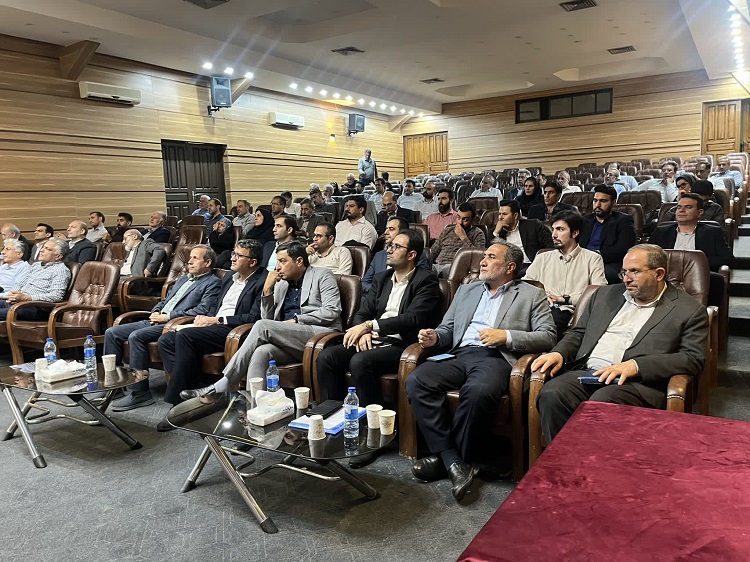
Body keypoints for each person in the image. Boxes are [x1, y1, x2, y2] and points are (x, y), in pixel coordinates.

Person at [406, 242, 557, 501]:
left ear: (510, 267)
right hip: (459, 354)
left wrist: (506, 336)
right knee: (418, 379)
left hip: (495, 357)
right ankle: (455, 460)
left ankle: (447, 459)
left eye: (491, 257)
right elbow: (447, 329)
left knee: (479, 391)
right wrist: (434, 337)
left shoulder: (531, 294)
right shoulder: (467, 290)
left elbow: (548, 336)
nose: (482, 262)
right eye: (483, 256)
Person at [533, 244, 709, 442]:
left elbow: (693, 358)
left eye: (635, 271)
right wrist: (558, 353)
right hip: (588, 373)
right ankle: (563, 458)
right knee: (553, 393)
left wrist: (636, 366)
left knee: (603, 402)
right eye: (624, 272)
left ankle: (597, 460)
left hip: (637, 384)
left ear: (659, 274)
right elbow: (579, 333)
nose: (626, 278)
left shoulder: (688, 310)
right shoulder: (604, 295)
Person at [316, 230, 441, 467]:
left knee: (360, 362)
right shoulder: (383, 278)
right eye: (389, 246)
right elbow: (361, 312)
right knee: (327, 356)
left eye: (396, 247)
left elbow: (413, 318)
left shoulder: (426, 280)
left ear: (412, 254)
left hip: (401, 344)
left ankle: (371, 436)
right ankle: (334, 426)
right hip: (372, 339)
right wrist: (363, 330)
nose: (389, 250)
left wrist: (370, 326)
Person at [180, 241, 342, 400]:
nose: (277, 267)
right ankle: (255, 405)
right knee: (261, 352)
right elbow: (268, 319)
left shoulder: (322, 275)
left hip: (318, 333)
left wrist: (296, 320)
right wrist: (267, 291)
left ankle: (225, 382)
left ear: (299, 261)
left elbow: (332, 311)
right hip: (288, 338)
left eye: (283, 261)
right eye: (277, 261)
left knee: (261, 326)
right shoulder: (281, 284)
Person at [156, 239, 268, 428]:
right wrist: (204, 318)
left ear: (253, 262)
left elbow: (254, 317)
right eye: (233, 253)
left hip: (234, 329)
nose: (232, 258)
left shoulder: (262, 280)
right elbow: (216, 305)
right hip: (213, 324)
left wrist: (217, 320)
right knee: (166, 339)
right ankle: (198, 392)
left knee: (185, 336)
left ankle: (178, 405)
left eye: (238, 255)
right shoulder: (229, 277)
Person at [104, 245, 221, 411]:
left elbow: (203, 311)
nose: (189, 261)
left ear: (207, 263)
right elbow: (165, 301)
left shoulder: (213, 283)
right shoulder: (183, 279)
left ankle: (140, 393)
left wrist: (167, 317)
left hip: (176, 324)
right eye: (190, 257)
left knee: (136, 336)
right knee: (111, 332)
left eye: (195, 258)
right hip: (157, 319)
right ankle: (114, 386)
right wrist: (156, 311)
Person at [524, 210, 607, 336]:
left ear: (575, 233)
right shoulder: (542, 257)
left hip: (565, 310)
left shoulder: (592, 258)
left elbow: (599, 293)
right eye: (553, 229)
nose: (554, 235)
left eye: (560, 229)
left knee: (550, 320)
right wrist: (542, 296)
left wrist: (565, 299)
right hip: (539, 307)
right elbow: (526, 285)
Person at [649, 192, 733, 306]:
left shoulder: (712, 232)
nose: (681, 210)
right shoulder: (662, 231)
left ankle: (705, 313)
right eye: (679, 207)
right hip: (665, 273)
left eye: (688, 207)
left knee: (715, 279)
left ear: (700, 212)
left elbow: (728, 259)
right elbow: (647, 255)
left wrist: (696, 263)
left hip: (698, 275)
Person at [0, 238, 70, 320]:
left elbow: (57, 296)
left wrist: (27, 298)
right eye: (43, 247)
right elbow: (20, 283)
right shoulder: (36, 265)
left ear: (58, 256)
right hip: (18, 303)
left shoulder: (61, 270)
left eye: (48, 249)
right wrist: (13, 296)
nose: (41, 250)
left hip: (35, 308)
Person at [579, 185, 636, 284]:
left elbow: (623, 249)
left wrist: (595, 256)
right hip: (582, 260)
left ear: (613, 203)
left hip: (608, 263)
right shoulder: (584, 220)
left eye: (603, 201)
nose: (597, 205)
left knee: (604, 274)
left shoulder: (623, 220)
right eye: (595, 201)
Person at [362, 217, 431, 293]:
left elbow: (423, 282)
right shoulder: (379, 256)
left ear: (402, 232)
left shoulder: (417, 255)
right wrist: (380, 292)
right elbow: (364, 283)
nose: (386, 232)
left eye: (391, 229)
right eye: (386, 229)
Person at [491, 199, 553, 276]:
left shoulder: (533, 225)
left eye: (504, 214)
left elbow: (550, 245)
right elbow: (490, 252)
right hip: (508, 266)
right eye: (499, 214)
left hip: (530, 265)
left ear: (515, 215)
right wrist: (496, 233)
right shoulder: (498, 230)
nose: (500, 217)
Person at [431, 202, 485, 277]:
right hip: (436, 265)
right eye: (458, 218)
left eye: (465, 220)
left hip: (454, 266)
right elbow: (433, 251)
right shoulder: (448, 229)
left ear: (473, 220)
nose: (460, 222)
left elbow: (477, 257)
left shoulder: (478, 233)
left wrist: (463, 237)